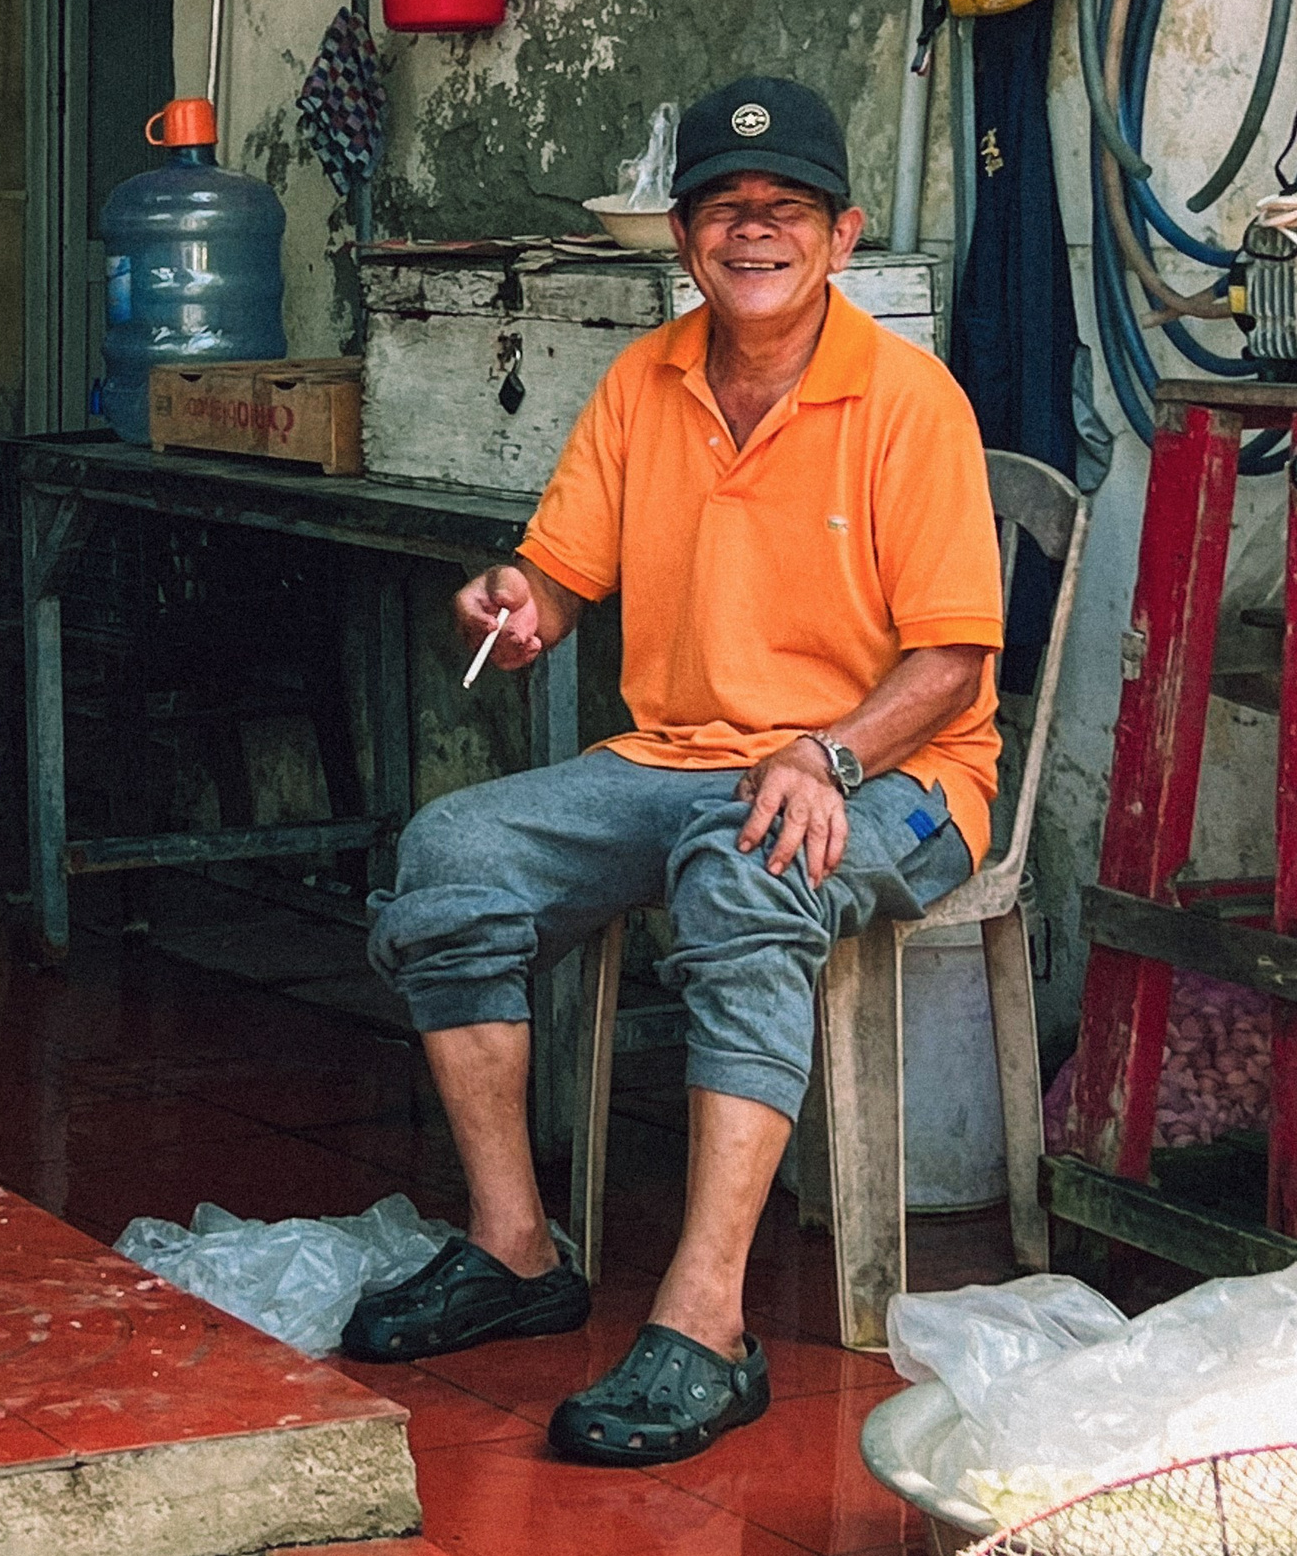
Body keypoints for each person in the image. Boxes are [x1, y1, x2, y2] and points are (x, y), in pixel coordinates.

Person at [343, 74, 1003, 1470]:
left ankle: (706, 1318)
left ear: (842, 231)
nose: (752, 233)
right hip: (676, 756)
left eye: (785, 210)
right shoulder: (644, 382)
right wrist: (517, 600)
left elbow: (950, 661)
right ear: (684, 235)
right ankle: (517, 1246)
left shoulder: (909, 402)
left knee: (749, 862)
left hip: (894, 773)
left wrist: (824, 754)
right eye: (722, 209)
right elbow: (564, 572)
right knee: (452, 851)